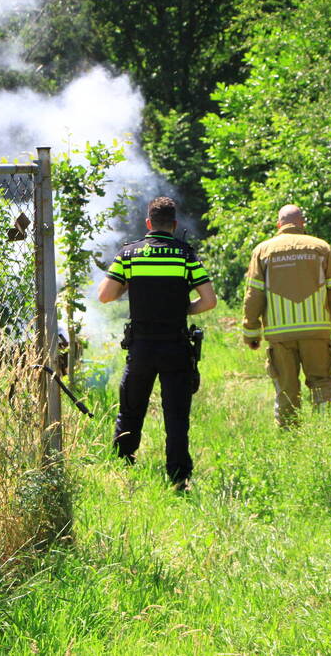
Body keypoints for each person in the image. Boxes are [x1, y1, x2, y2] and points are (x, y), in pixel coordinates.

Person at [97, 196, 217, 491]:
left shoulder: (129, 254)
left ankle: (123, 468)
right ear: (174, 226)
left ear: (148, 223)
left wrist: (130, 285)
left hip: (141, 347)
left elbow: (104, 296)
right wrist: (182, 309)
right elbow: (209, 301)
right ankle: (179, 478)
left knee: (131, 409)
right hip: (176, 345)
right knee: (176, 414)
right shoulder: (185, 255)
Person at [242, 204, 331, 427]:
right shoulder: (321, 248)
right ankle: (325, 433)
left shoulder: (263, 250)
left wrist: (251, 332)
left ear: (279, 225)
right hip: (316, 330)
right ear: (302, 224)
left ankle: (290, 436)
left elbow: (254, 295)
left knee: (286, 388)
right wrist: (328, 322)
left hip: (279, 335)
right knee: (323, 382)